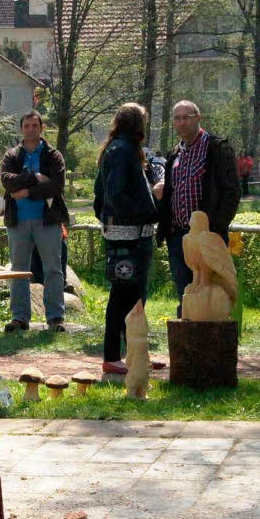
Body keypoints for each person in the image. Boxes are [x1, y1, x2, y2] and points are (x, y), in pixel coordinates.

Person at [94, 103, 161, 375]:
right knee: (124, 295)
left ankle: (136, 352)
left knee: (134, 296)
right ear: (138, 124)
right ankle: (112, 355)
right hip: (126, 234)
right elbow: (116, 195)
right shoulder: (121, 151)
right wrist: (149, 207)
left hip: (130, 231)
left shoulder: (119, 149)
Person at [157, 100, 241, 315]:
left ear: (198, 118)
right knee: (186, 293)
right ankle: (185, 342)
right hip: (179, 237)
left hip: (208, 236)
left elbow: (232, 191)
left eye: (187, 117)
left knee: (211, 296)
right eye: (177, 118)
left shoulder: (216, 148)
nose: (182, 122)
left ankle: (211, 344)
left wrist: (215, 228)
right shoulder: (174, 154)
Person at [0, 111, 69, 333]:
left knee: (53, 269)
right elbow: (7, 182)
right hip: (18, 221)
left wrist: (26, 190)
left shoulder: (53, 155)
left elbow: (55, 186)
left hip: (47, 220)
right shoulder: (11, 155)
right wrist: (37, 177)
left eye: (34, 125)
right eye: (27, 125)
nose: (31, 129)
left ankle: (55, 318)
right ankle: (20, 318)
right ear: (21, 129)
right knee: (19, 270)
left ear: (41, 128)